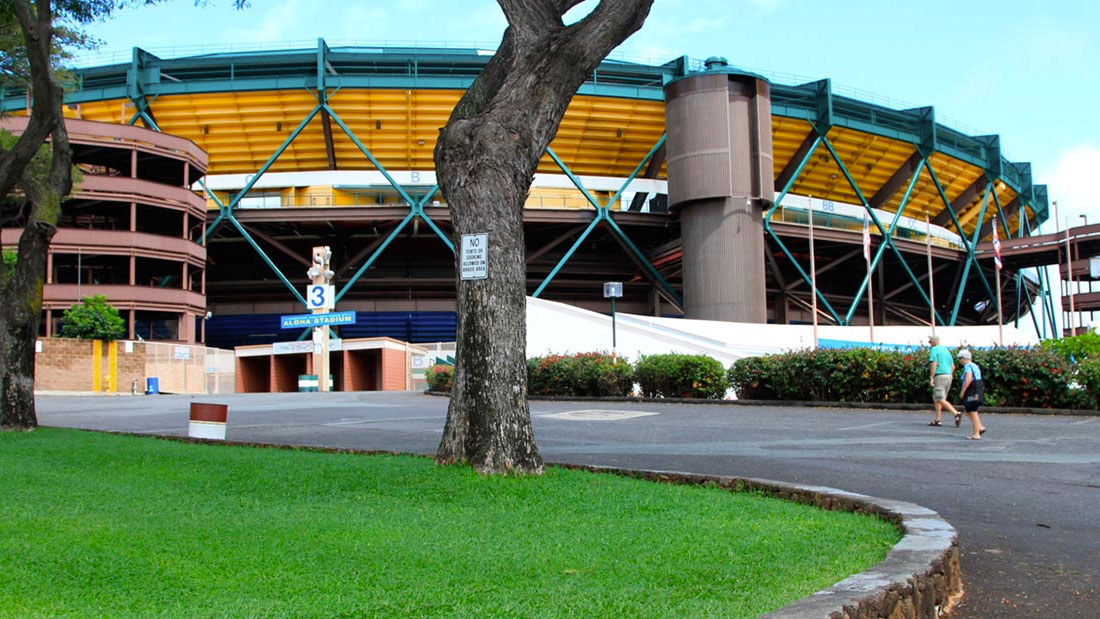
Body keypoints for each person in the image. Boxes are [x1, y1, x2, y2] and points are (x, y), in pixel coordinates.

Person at [927, 334, 962, 427]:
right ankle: (938, 419)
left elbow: (934, 363)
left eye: (930, 341)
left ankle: (956, 413)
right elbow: (953, 366)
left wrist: (931, 377)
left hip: (940, 375)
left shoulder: (934, 350)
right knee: (939, 398)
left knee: (939, 398)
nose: (929, 343)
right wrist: (950, 374)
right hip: (948, 375)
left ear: (934, 341)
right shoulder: (946, 350)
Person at [956, 349, 987, 440]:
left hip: (972, 390)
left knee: (972, 411)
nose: (959, 361)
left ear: (964, 358)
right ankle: (980, 427)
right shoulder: (975, 366)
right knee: (969, 410)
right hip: (978, 387)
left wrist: (963, 391)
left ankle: (976, 433)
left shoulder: (968, 366)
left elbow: (968, 379)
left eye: (960, 358)